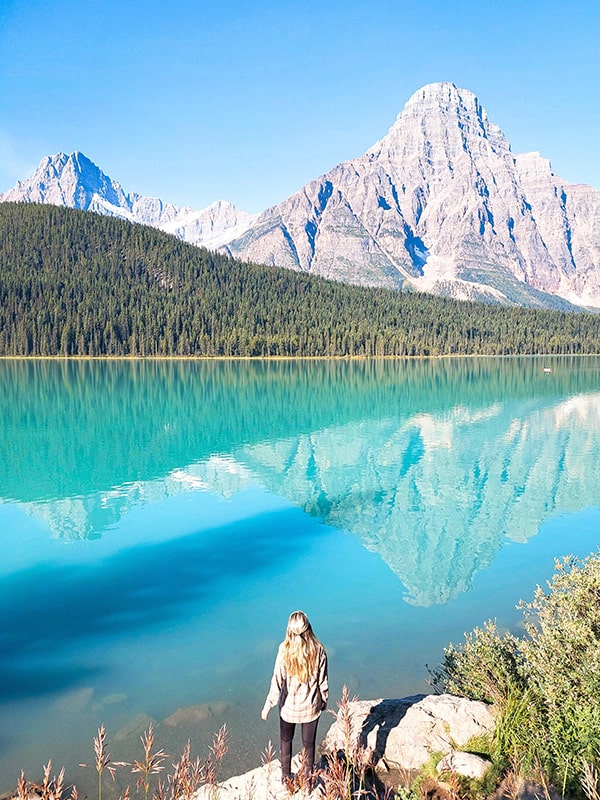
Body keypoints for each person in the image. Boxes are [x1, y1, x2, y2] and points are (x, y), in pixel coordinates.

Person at [261, 610, 328, 788]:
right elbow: (323, 681)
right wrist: (324, 701)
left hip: (288, 709)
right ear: (308, 628)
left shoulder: (284, 649)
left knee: (285, 741)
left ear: (289, 630)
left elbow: (277, 679)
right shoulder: (319, 649)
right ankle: (307, 783)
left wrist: (268, 705)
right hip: (311, 708)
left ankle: (286, 778)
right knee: (309, 745)